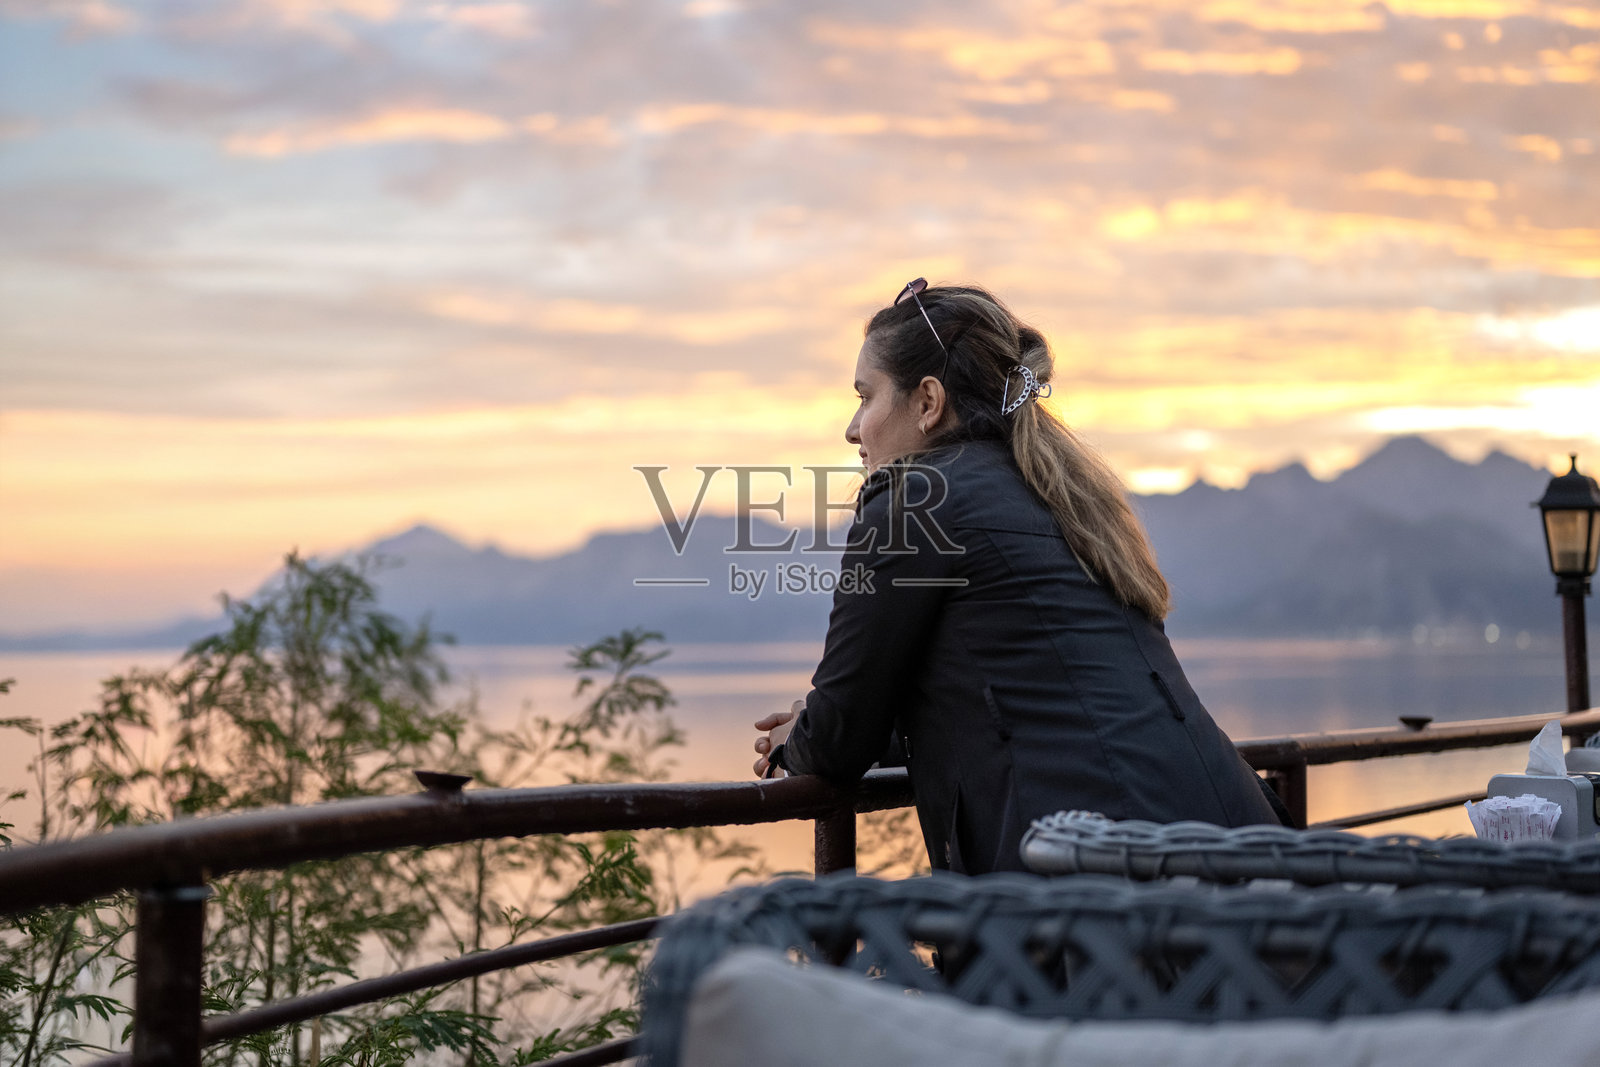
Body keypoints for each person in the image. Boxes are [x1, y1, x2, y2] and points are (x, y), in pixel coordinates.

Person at [751, 279, 1286, 875]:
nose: (853, 429)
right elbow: (1026, 695)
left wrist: (795, 744)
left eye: (864, 396)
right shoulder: (1060, 492)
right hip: (1233, 847)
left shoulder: (912, 502)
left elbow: (836, 742)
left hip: (1102, 893)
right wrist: (837, 727)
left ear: (927, 402)